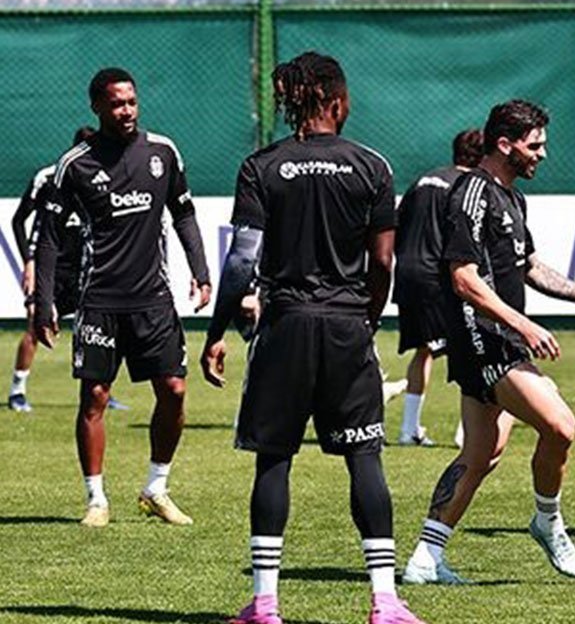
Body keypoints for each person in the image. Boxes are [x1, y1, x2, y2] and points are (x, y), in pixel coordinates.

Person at [200, 51, 424, 624]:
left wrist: (216, 332)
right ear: (337, 102)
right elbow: (383, 261)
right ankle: (385, 602)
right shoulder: (371, 165)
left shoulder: (262, 166)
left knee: (274, 459)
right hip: (347, 325)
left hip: (284, 326)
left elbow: (241, 260)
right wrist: (366, 316)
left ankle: (265, 605)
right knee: (364, 457)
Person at [403, 99, 575, 584]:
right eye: (535, 146)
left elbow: (528, 266)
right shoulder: (471, 193)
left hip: (495, 337)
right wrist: (524, 325)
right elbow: (463, 278)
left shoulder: (512, 197)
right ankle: (548, 521)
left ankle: (425, 558)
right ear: (505, 144)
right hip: (482, 338)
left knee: (480, 455)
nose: (543, 154)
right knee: (561, 425)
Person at [32, 68, 210, 528]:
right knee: (94, 396)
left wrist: (201, 271)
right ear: (97, 106)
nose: (126, 110)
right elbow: (49, 237)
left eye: (131, 101)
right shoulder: (75, 164)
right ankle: (96, 499)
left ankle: (156, 488)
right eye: (116, 103)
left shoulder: (162, 152)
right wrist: (43, 302)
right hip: (99, 302)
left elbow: (184, 214)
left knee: (174, 390)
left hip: (154, 299)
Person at [9, 127, 132, 413]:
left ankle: (101, 391)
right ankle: (17, 391)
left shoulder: (105, 179)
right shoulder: (49, 177)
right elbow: (19, 221)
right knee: (35, 324)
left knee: (97, 330)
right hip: (49, 268)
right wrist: (29, 262)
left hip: (85, 269)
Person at [391, 128, 484, 448]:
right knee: (472, 348)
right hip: (438, 278)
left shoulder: (423, 180)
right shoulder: (467, 187)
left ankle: (409, 429)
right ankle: (467, 433)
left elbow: (395, 225)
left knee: (425, 349)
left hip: (407, 273)